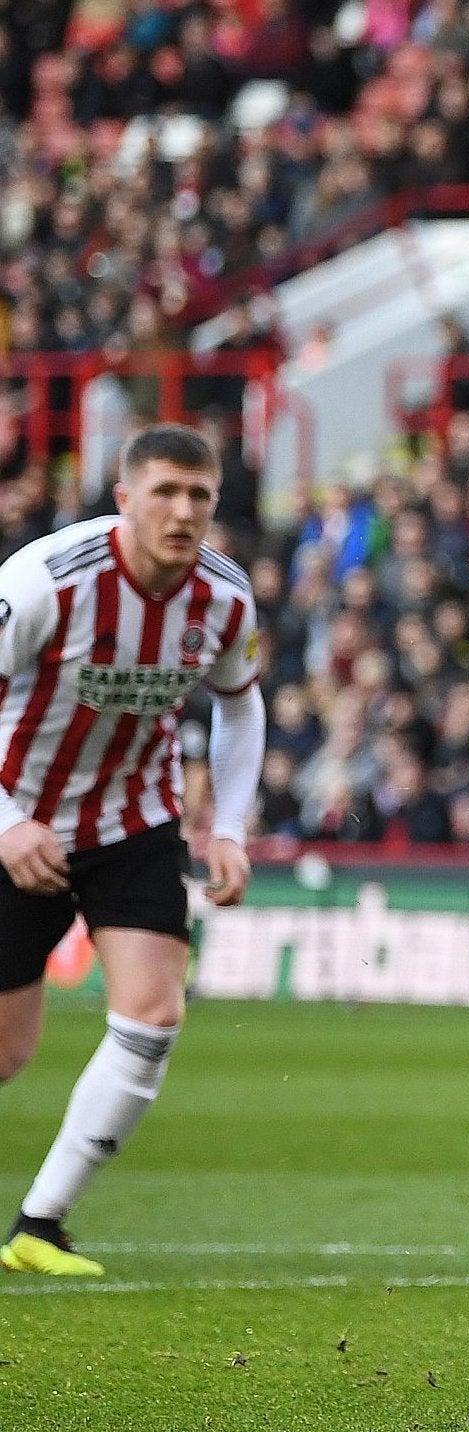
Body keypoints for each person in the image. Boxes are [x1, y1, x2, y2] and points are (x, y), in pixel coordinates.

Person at [0, 424, 263, 1277]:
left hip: (132, 822)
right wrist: (6, 821)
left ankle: (42, 1226)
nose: (183, 513)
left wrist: (227, 826)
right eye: (165, 493)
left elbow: (240, 706)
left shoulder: (224, 599)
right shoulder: (44, 581)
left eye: (200, 497)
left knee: (153, 1012)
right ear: (124, 497)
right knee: (7, 1053)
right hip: (18, 822)